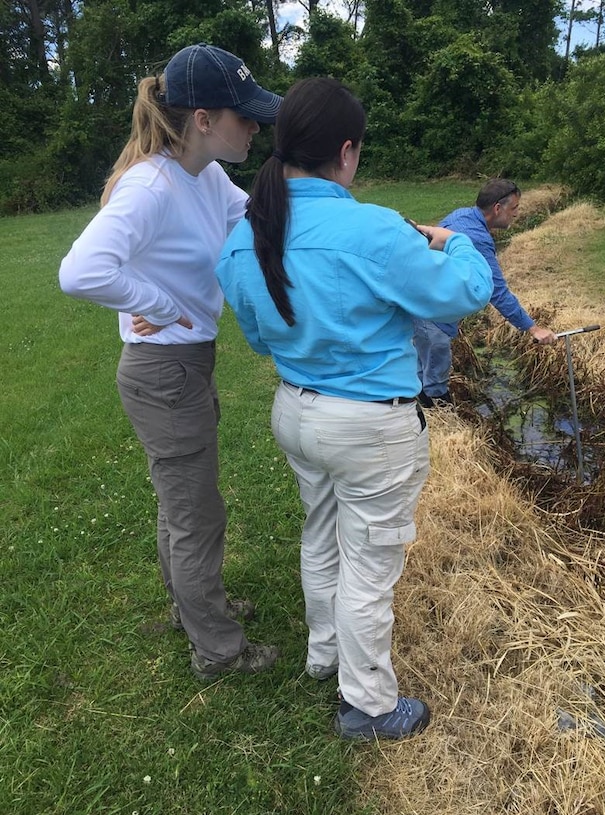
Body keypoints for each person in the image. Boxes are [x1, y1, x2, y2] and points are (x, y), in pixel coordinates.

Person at [215, 77, 494, 741]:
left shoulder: (244, 235)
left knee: (321, 531)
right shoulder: (372, 230)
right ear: (346, 151)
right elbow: (466, 292)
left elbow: (258, 335)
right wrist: (450, 240)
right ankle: (367, 705)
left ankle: (325, 654)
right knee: (370, 563)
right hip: (369, 425)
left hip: (296, 411)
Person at [59, 43, 283, 681]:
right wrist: (156, 300)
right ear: (204, 119)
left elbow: (258, 216)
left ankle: (195, 610)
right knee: (196, 516)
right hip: (164, 370)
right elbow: (80, 272)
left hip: (182, 366)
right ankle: (218, 648)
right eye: (246, 116)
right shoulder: (151, 183)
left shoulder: (203, 174)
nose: (256, 127)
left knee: (181, 506)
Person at [414, 178, 558, 407]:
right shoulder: (477, 239)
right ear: (497, 208)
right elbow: (497, 292)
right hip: (435, 317)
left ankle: (426, 414)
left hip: (423, 305)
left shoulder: (462, 215)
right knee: (434, 386)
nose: (517, 214)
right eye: (515, 209)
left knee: (420, 374)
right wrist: (533, 328)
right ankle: (443, 425)